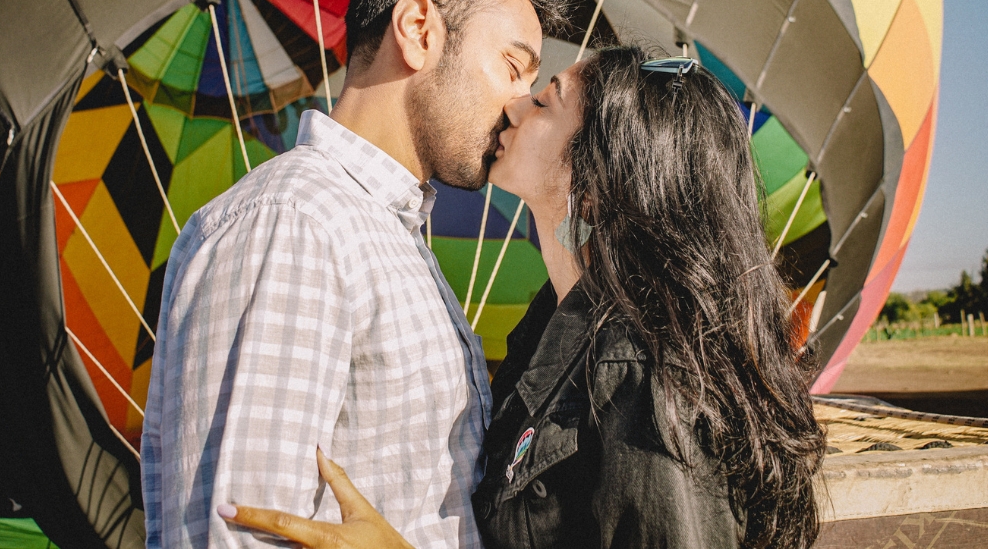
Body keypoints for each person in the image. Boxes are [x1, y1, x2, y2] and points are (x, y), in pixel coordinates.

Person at [221, 46, 826, 549]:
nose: (514, 103)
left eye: (544, 101)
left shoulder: (640, 371)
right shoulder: (553, 332)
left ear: (601, 174)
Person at [141, 0, 569, 548]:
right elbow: (237, 531)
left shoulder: (384, 235)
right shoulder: (296, 222)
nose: (519, 106)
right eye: (510, 66)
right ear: (418, 29)